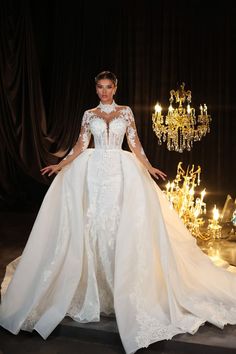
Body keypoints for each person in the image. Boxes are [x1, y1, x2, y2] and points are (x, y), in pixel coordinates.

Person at [1, 71, 236, 354]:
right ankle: (95, 291)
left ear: (115, 88)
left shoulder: (126, 112)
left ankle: (122, 290)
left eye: (108, 87)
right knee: (93, 228)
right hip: (94, 173)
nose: (104, 92)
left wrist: (148, 167)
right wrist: (61, 165)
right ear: (96, 89)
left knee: (119, 229)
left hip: (121, 174)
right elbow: (80, 144)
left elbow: (134, 144)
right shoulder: (89, 114)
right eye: (100, 87)